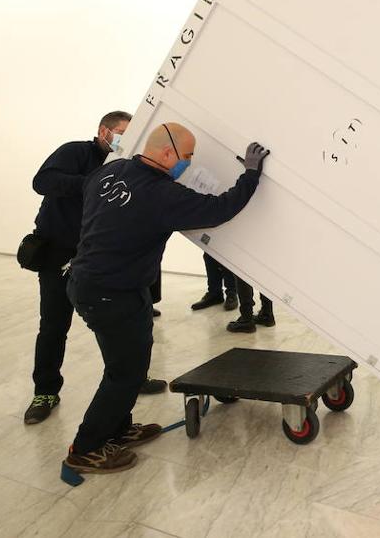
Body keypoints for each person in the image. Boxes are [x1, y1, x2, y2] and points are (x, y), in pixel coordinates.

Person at [62, 123, 270, 474]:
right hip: (110, 293)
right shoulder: (161, 195)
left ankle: (118, 429)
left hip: (102, 285)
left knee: (131, 364)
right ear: (168, 153)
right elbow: (220, 209)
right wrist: (250, 175)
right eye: (187, 157)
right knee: (124, 374)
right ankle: (86, 448)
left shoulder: (109, 172)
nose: (188, 164)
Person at [23, 111, 170, 424]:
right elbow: (42, 181)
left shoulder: (126, 165)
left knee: (129, 327)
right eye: (121, 133)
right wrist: (93, 182)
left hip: (105, 262)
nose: (125, 141)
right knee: (53, 326)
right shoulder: (76, 152)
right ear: (104, 131)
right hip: (60, 255)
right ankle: (45, 391)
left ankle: (132, 379)